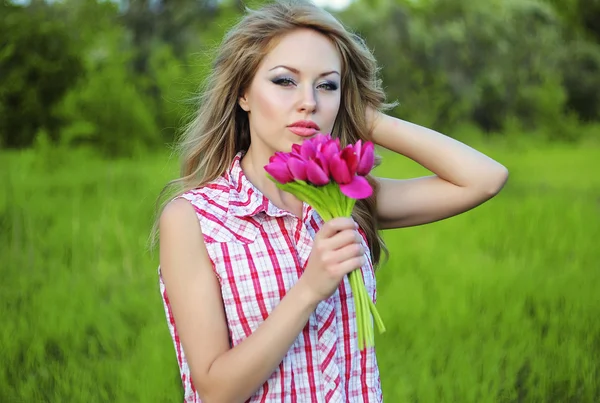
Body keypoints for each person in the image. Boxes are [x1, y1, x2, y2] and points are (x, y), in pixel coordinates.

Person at [154, 1, 508, 402]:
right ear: (243, 94)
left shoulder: (348, 199)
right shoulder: (196, 219)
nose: (309, 102)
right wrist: (308, 289)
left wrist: (364, 117)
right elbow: (216, 390)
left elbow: (484, 179)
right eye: (285, 81)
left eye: (327, 85)